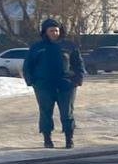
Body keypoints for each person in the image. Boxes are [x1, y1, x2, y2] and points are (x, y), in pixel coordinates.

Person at [22, 17, 85, 148]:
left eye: (56, 30)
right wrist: (32, 81)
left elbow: (78, 64)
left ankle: (69, 138)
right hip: (44, 86)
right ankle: (47, 139)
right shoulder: (37, 48)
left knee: (67, 112)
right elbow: (28, 66)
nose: (54, 33)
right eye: (51, 31)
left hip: (66, 85)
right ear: (45, 32)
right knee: (45, 112)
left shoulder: (69, 46)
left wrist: (78, 79)